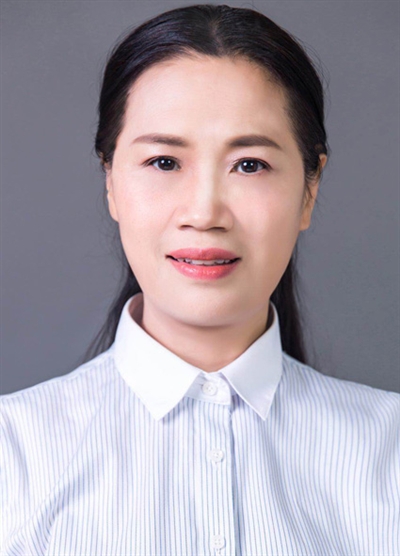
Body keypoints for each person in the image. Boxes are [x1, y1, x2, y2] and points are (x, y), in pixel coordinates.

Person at [1, 4, 399, 555]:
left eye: (250, 165)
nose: (205, 212)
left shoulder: (388, 451)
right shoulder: (13, 456)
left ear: (309, 189)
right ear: (110, 182)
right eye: (164, 162)